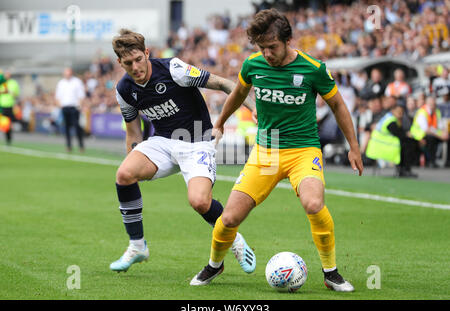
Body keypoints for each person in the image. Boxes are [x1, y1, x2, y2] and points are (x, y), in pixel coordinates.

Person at [190, 9, 363, 292]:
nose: (267, 53)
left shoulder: (313, 69)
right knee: (230, 217)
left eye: (272, 47)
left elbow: (338, 106)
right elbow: (237, 94)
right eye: (262, 47)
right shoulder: (252, 65)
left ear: (287, 40)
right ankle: (214, 264)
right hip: (266, 151)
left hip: (303, 150)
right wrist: (219, 122)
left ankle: (331, 273)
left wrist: (354, 147)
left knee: (313, 203)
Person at [109, 29, 257, 273]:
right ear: (120, 63)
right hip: (163, 142)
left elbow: (224, 83)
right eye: (128, 63)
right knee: (124, 175)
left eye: (138, 59)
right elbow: (134, 132)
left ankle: (235, 240)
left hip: (197, 140)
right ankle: (137, 246)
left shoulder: (174, 69)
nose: (135, 67)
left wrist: (253, 108)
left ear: (147, 53)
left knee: (199, 202)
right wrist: (134, 164)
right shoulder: (124, 89)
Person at [366, 103, 418, 178]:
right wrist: (408, 135)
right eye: (398, 112)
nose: (400, 114)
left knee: (407, 142)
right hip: (382, 146)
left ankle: (404, 169)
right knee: (408, 144)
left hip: (379, 144)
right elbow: (400, 134)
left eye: (401, 112)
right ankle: (404, 170)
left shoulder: (389, 117)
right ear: (393, 111)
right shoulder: (391, 121)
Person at [410, 95, 449, 168]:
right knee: (431, 138)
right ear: (426, 103)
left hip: (433, 133)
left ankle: (448, 162)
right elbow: (426, 129)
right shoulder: (422, 112)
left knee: (448, 137)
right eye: (431, 104)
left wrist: (445, 133)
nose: (433, 106)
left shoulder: (437, 111)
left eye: (434, 104)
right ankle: (431, 161)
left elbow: (440, 126)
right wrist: (440, 136)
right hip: (419, 135)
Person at [55, 67, 86, 152]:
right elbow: (58, 96)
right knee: (66, 128)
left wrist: (79, 105)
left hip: (74, 107)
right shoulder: (61, 83)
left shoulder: (77, 82)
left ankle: (81, 145)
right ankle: (68, 146)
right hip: (65, 107)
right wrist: (60, 105)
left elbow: (81, 95)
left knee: (77, 127)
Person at [0, 70, 20, 145]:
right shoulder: (2, 82)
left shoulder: (13, 83)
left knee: (8, 124)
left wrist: (12, 93)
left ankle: (8, 139)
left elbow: (16, 94)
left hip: (9, 106)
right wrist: (4, 91)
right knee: (4, 124)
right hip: (1, 106)